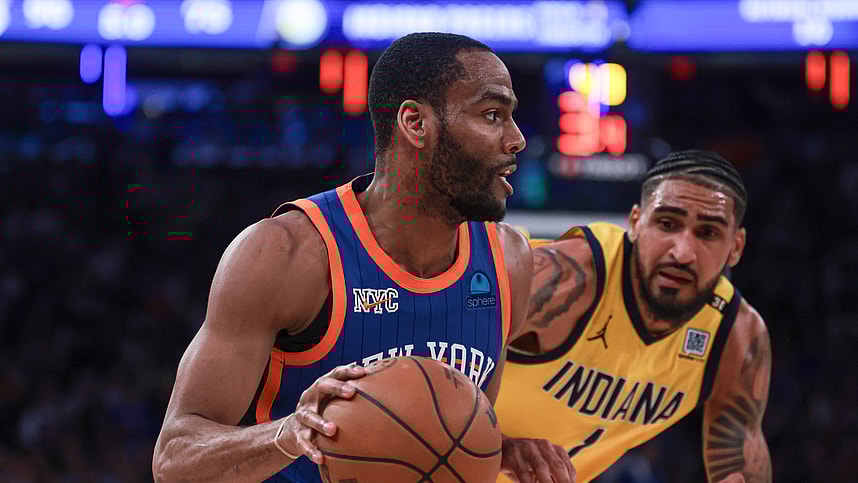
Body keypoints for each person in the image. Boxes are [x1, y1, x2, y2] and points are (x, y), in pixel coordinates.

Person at [152, 32, 575, 483]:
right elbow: (175, 459)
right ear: (415, 124)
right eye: (492, 115)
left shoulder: (509, 261)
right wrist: (287, 434)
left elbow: (446, 434)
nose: (517, 140)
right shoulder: (288, 253)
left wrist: (495, 447)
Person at [494, 150, 772, 483]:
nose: (682, 253)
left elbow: (741, 470)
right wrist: (496, 448)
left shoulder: (734, 336)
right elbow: (422, 362)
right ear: (636, 223)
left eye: (708, 233)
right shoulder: (563, 282)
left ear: (736, 247)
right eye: (667, 224)